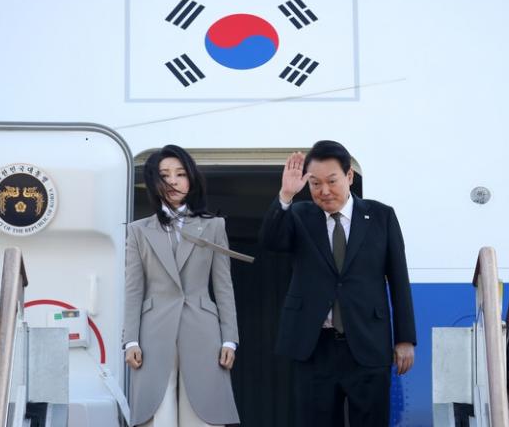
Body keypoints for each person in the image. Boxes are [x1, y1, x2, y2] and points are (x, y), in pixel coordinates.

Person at [260, 140, 416, 427]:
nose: (324, 191)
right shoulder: (299, 215)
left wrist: (404, 339)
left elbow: (398, 279)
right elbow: (271, 242)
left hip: (368, 343)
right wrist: (285, 195)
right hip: (314, 346)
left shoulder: (381, 216)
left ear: (349, 176)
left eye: (332, 181)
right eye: (315, 184)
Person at [123, 145, 239, 427]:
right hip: (152, 332)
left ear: (191, 179)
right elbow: (133, 289)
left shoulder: (214, 226)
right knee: (157, 414)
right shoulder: (138, 230)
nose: (173, 181)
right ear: (154, 182)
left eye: (180, 174)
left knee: (202, 414)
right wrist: (130, 340)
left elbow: (223, 286)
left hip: (203, 329)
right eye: (164, 175)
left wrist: (230, 339)